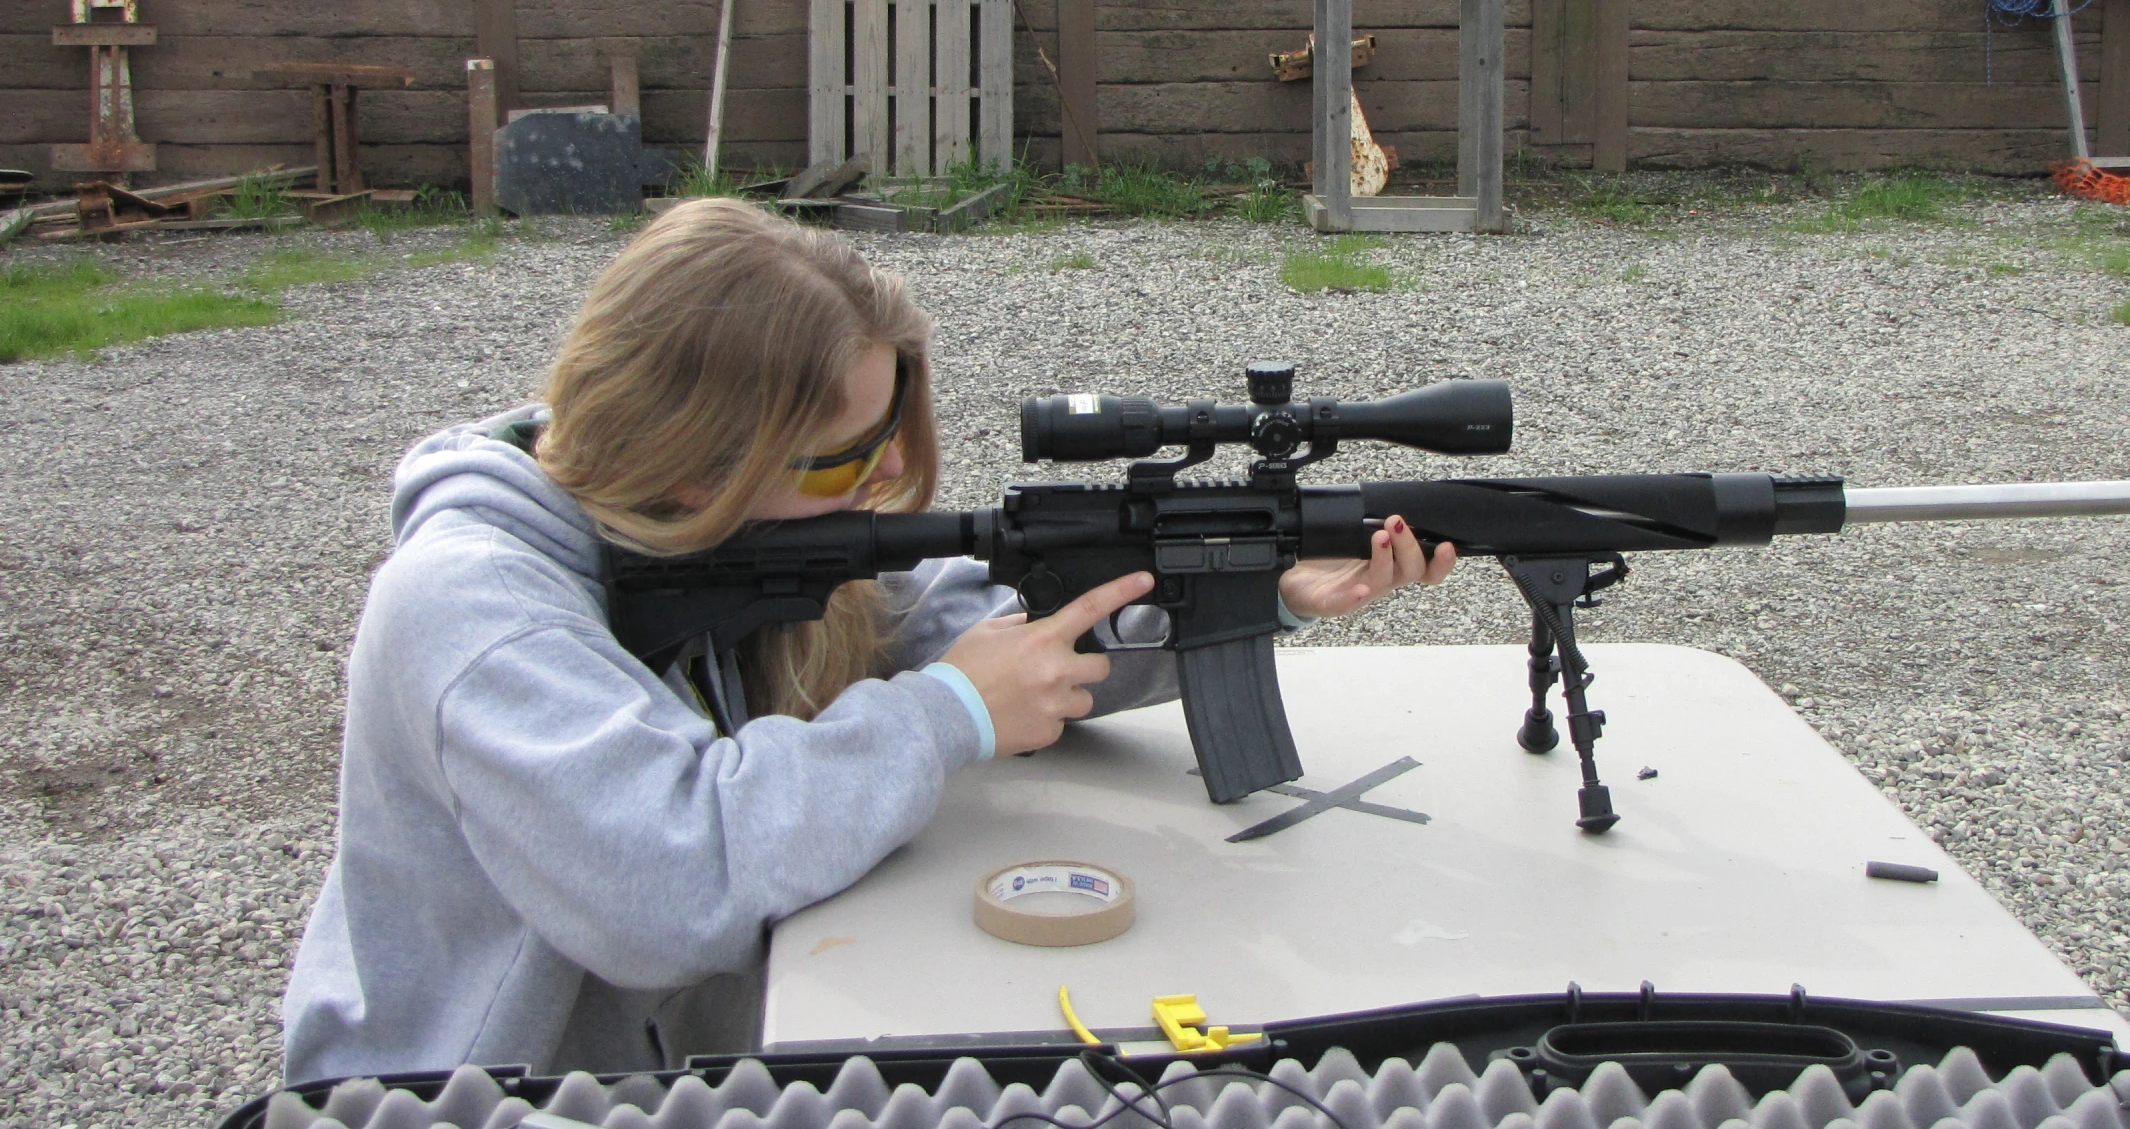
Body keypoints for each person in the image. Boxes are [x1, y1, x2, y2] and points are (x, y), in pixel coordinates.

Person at [280, 199, 1453, 1084]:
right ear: (692, 459)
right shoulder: (468, 609)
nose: (891, 473)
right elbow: (667, 882)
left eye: (896, 424)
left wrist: (1246, 589)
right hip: (465, 1096)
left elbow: (989, 637)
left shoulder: (749, 532)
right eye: (845, 456)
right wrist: (942, 712)